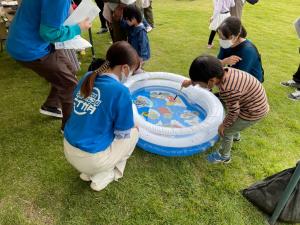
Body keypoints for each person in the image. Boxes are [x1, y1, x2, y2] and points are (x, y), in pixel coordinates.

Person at [64, 41, 140, 192]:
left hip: (68, 149)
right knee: (134, 131)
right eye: (131, 71)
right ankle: (105, 174)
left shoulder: (88, 76)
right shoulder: (120, 91)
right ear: (124, 68)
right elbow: (122, 133)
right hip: (92, 159)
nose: (130, 75)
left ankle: (89, 171)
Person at [6, 0, 91, 131]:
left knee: (70, 69)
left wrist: (73, 15)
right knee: (69, 84)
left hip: (25, 41)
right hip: (29, 48)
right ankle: (69, 128)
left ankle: (51, 105)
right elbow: (50, 33)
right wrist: (78, 28)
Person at [182, 55, 269, 164]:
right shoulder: (223, 71)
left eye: (199, 84)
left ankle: (224, 156)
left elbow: (234, 112)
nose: (198, 86)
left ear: (211, 81)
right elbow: (205, 75)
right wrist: (191, 82)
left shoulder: (228, 89)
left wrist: (223, 125)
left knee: (227, 131)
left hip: (253, 111)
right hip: (250, 101)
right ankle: (235, 134)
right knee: (233, 125)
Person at [217, 16, 264, 82]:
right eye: (220, 36)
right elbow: (216, 64)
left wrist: (221, 65)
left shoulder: (248, 50)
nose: (221, 40)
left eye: (224, 37)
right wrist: (224, 61)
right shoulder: (225, 44)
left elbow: (239, 78)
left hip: (251, 82)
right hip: (235, 76)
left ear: (236, 35)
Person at [122, 5, 150, 71]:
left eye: (127, 19)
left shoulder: (141, 31)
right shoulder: (133, 26)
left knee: (137, 70)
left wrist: (141, 59)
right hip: (134, 54)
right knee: (134, 70)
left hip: (139, 57)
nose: (126, 21)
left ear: (134, 18)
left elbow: (143, 45)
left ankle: (142, 79)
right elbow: (123, 25)